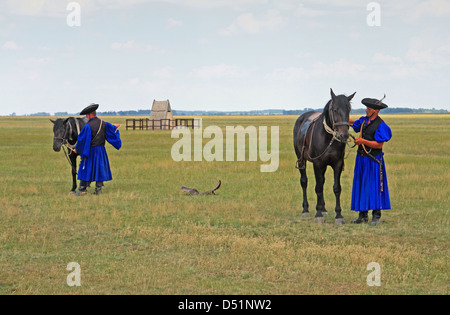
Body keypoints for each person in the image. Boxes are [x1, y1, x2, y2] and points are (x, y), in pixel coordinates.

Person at [349, 97, 392, 225]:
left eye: (369, 109)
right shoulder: (363, 121)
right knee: (361, 185)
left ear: (376, 111)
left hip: (373, 160)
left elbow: (379, 145)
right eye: (366, 108)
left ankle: (376, 216)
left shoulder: (381, 125)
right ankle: (362, 216)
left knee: (375, 186)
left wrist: (363, 141)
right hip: (361, 159)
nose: (366, 110)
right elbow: (353, 123)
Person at [74, 104, 122, 196]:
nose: (85, 117)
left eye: (86, 115)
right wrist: (114, 127)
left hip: (90, 151)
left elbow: (81, 140)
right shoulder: (103, 123)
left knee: (85, 168)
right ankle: (98, 190)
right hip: (101, 151)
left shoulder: (88, 126)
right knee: (99, 169)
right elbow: (112, 130)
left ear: (89, 115)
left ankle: (82, 190)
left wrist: (77, 149)